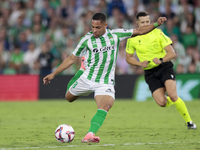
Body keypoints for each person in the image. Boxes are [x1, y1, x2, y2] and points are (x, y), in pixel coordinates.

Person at [43, 12, 167, 143]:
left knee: (106, 106)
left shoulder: (115, 35)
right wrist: (54, 74)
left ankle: (89, 135)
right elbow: (72, 58)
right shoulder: (86, 39)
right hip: (86, 78)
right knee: (68, 98)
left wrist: (156, 24)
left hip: (105, 82)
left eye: (98, 27)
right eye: (92, 27)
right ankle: (81, 70)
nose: (94, 30)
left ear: (105, 25)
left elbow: (140, 30)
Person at [126, 11, 196, 129]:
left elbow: (172, 53)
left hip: (164, 67)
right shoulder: (132, 39)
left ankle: (189, 122)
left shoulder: (158, 33)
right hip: (150, 72)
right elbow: (128, 58)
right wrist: (139, 63)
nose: (146, 24)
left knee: (173, 95)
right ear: (137, 23)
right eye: (143, 22)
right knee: (162, 103)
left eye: (147, 21)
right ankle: (175, 100)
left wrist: (161, 59)